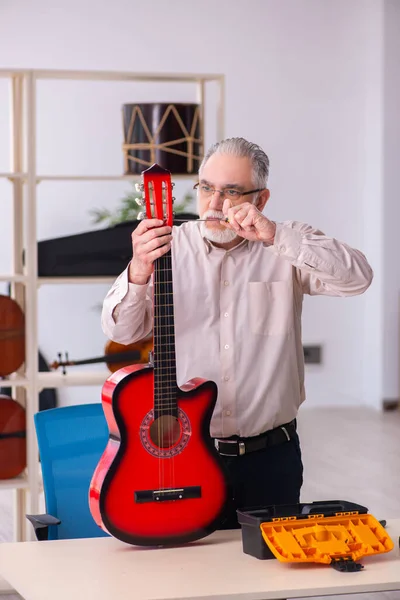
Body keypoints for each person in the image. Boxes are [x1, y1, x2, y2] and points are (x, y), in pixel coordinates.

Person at [101, 137, 373, 528]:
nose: (214, 203)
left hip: (271, 457)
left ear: (260, 200)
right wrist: (139, 271)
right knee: (192, 576)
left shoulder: (287, 243)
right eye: (206, 188)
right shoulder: (166, 248)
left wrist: (277, 236)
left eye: (230, 191)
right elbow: (121, 331)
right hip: (186, 454)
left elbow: (357, 279)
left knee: (269, 580)